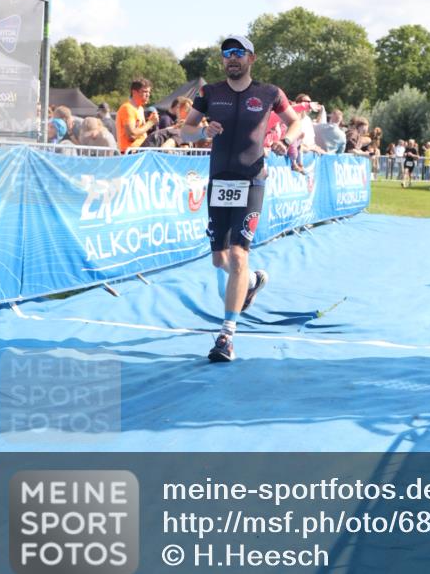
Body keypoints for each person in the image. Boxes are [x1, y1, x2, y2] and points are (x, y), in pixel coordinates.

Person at [183, 34, 303, 364]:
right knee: (220, 260)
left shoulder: (269, 93)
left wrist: (287, 141)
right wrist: (203, 132)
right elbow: (185, 130)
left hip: (252, 180)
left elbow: (296, 121)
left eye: (239, 52)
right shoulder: (210, 93)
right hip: (219, 181)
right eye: (226, 53)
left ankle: (226, 336)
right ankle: (252, 281)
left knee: (238, 255)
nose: (231, 57)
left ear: (251, 58)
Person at [115, 79, 159, 153]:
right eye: (145, 91)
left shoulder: (140, 109)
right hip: (130, 153)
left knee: (170, 133)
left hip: (140, 152)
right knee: (164, 135)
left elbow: (141, 133)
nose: (148, 94)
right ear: (134, 92)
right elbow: (131, 135)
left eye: (149, 92)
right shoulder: (127, 108)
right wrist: (150, 123)